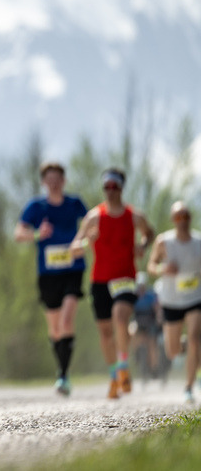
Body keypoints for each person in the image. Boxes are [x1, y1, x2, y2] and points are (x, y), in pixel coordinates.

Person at [71, 167, 155, 399]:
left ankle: (123, 367)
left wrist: (143, 245)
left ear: (121, 187)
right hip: (100, 280)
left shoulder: (134, 216)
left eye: (114, 186)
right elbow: (74, 249)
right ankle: (113, 377)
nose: (110, 190)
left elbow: (150, 232)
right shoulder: (94, 217)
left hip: (125, 278)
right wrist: (88, 241)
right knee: (106, 332)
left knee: (120, 316)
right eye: (106, 186)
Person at [14, 162, 88, 396]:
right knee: (55, 328)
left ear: (64, 181)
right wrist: (37, 234)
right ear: (44, 182)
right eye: (50, 179)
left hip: (72, 269)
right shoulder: (36, 207)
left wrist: (82, 242)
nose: (54, 182)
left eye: (58, 178)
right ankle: (61, 369)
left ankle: (64, 376)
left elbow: (94, 227)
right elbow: (18, 234)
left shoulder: (75, 204)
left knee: (67, 321)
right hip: (47, 273)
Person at [146, 200, 201, 403]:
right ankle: (185, 346)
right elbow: (151, 265)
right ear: (173, 220)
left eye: (186, 216)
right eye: (178, 217)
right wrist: (163, 269)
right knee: (173, 351)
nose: (183, 220)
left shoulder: (198, 242)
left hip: (195, 298)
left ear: (190, 218)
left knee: (196, 338)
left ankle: (189, 386)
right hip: (171, 301)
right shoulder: (164, 242)